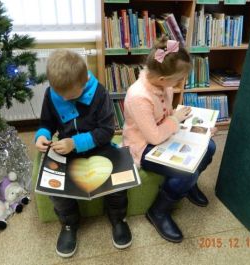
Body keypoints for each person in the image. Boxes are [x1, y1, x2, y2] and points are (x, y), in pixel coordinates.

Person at [35, 49, 132, 257]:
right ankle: (69, 223)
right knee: (56, 189)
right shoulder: (53, 93)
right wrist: (41, 136)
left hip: (99, 146)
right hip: (66, 149)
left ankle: (118, 218)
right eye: (59, 94)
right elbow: (46, 123)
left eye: (70, 95)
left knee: (117, 184)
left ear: (85, 80)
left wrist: (76, 142)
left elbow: (106, 131)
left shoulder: (99, 92)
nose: (63, 98)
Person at [123, 37, 216, 243]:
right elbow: (154, 136)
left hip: (165, 134)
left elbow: (166, 114)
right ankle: (158, 211)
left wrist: (202, 129)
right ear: (163, 79)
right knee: (187, 169)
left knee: (209, 146)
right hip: (143, 146)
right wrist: (174, 119)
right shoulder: (138, 96)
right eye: (177, 80)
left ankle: (187, 185)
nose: (179, 84)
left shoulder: (164, 85)